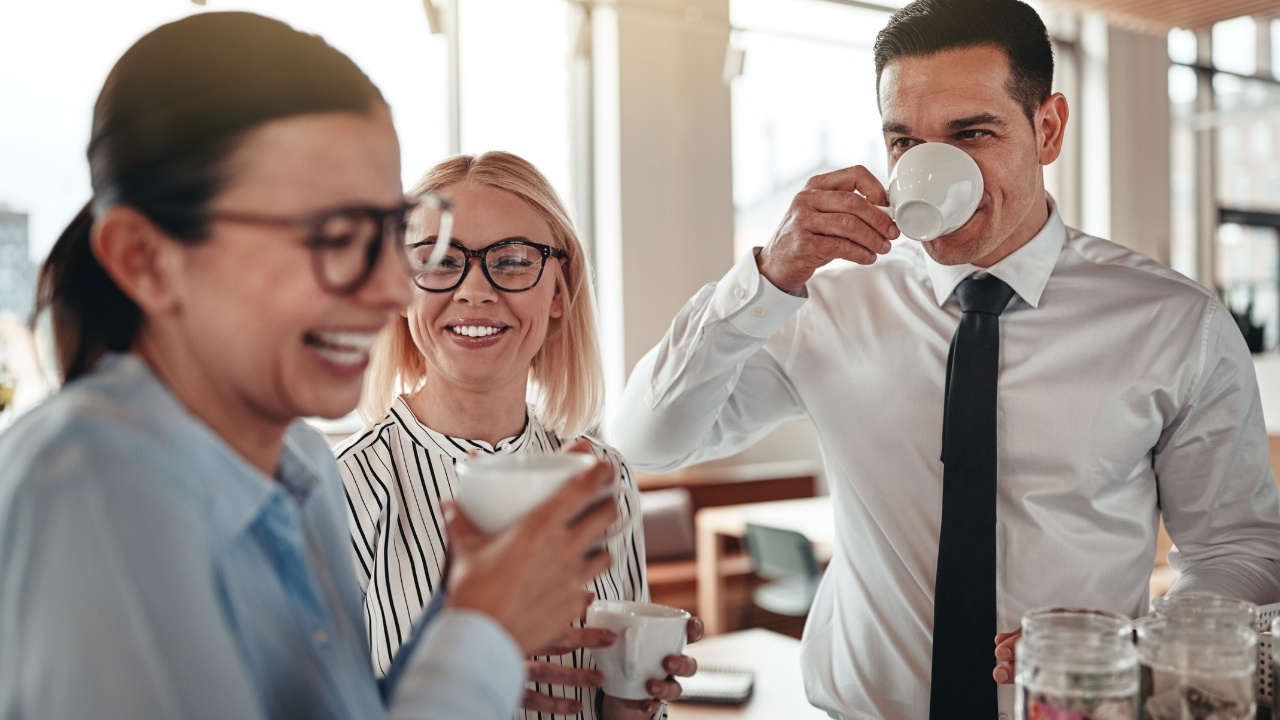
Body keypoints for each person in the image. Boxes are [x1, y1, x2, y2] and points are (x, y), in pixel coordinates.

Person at [607, 0, 1280, 718]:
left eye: (972, 133)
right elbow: (647, 440)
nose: (931, 168)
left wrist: (1136, 647)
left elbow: (1240, 550)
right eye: (905, 142)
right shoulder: (823, 307)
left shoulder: (1175, 322)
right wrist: (766, 276)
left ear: (1047, 129)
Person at [0, 13, 621, 720]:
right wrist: (481, 634)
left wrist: (457, 616)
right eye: (332, 235)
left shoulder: (302, 464)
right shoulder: (88, 486)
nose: (393, 289)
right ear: (147, 259)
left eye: (390, 232)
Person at [338, 151, 699, 720]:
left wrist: (634, 702)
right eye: (438, 260)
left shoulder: (605, 476)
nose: (475, 291)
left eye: (510, 260)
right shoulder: (342, 490)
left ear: (558, 293)